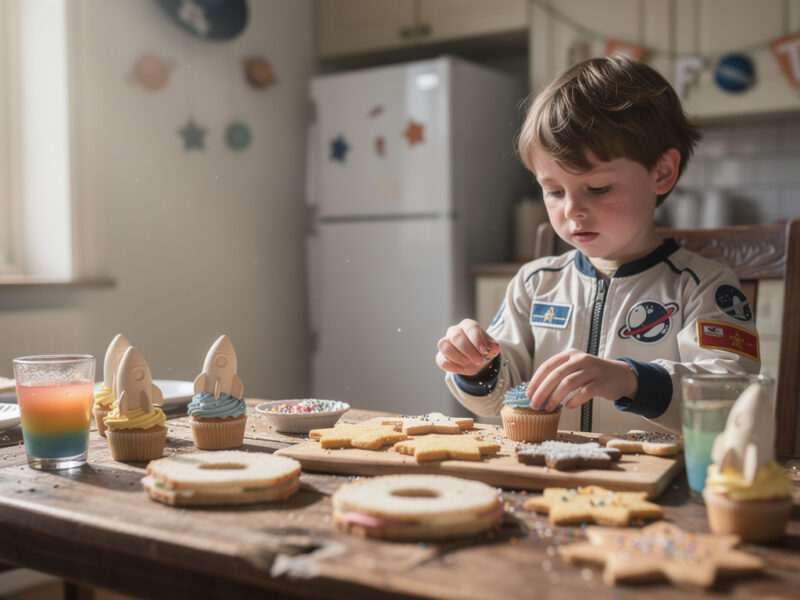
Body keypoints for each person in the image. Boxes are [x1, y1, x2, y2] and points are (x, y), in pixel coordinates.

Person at [435, 56, 760, 434]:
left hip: (661, 472)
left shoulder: (704, 286)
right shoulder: (535, 283)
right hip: (550, 470)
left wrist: (631, 381)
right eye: (554, 191)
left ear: (662, 172)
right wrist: (479, 368)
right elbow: (500, 397)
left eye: (598, 188)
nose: (571, 210)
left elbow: (733, 396)